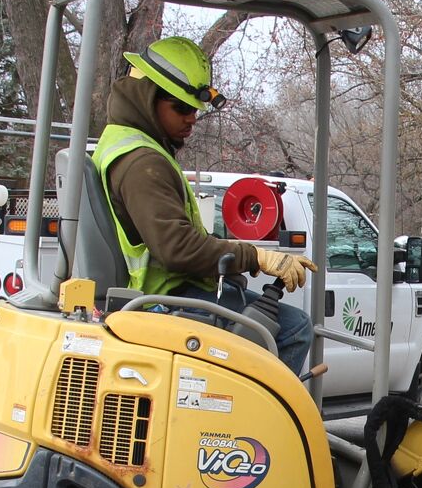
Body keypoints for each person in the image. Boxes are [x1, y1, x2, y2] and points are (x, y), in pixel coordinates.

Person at [92, 35, 315, 374]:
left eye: (194, 108)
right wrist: (256, 256)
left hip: (165, 294)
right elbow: (177, 248)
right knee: (293, 329)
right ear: (148, 98)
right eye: (180, 108)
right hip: (162, 302)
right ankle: (253, 426)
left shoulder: (125, 144)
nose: (191, 118)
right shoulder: (143, 163)